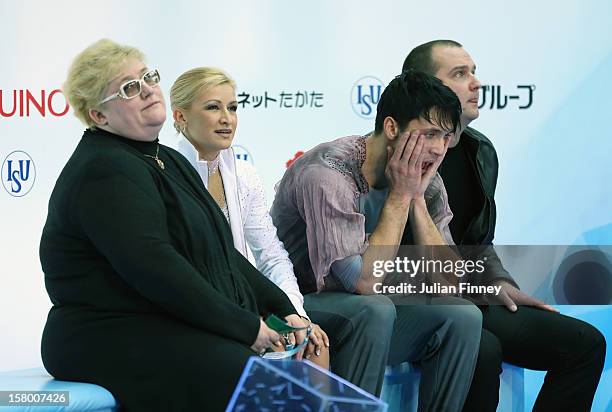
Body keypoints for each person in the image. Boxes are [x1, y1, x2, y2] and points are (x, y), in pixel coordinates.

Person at [40, 39, 303, 412]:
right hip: (103, 335)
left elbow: (221, 253)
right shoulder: (104, 168)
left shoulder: (166, 160)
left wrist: (280, 306)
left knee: (260, 368)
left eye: (148, 77)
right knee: (242, 372)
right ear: (99, 116)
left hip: (153, 322)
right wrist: (245, 326)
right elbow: (156, 268)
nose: (148, 89)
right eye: (130, 88)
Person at [402, 40, 606, 411]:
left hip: (474, 296)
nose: (476, 83)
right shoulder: (398, 154)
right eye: (460, 74)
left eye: (474, 71)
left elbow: (480, 242)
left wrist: (499, 283)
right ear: (424, 86)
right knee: (483, 350)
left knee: (585, 342)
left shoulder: (480, 151)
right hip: (415, 302)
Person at [270, 70, 483, 411]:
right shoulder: (328, 172)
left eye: (444, 137)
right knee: (374, 308)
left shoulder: (425, 178)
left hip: (366, 315)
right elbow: (363, 282)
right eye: (428, 134)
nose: (437, 148)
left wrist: (415, 197)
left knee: (462, 316)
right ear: (391, 127)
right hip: (297, 312)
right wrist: (401, 194)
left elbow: (449, 282)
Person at [170, 67, 329, 367]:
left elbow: (271, 255)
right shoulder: (166, 175)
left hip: (247, 300)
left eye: (232, 108)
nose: (226, 118)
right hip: (198, 312)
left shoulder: (243, 175)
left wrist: (295, 313)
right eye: (213, 107)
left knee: (311, 344)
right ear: (180, 117)